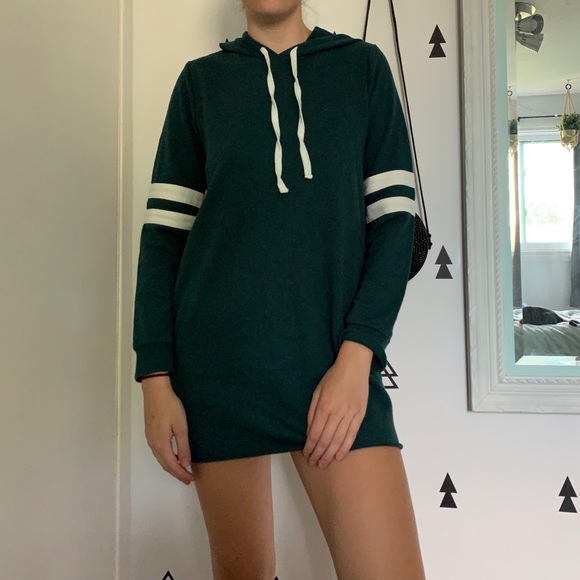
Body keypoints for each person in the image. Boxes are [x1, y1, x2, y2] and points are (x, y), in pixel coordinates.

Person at [132, 0, 426, 578]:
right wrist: (155, 379)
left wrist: (357, 359)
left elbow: (395, 225)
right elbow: (164, 239)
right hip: (219, 372)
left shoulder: (363, 67)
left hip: (336, 367)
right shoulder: (200, 84)